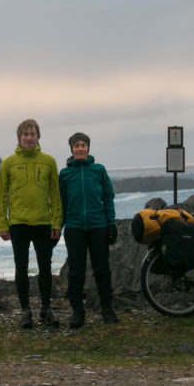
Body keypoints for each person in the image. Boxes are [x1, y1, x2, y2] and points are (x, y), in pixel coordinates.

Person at [0, 118, 63, 329]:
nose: (29, 138)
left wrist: (56, 223)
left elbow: (56, 195)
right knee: (21, 267)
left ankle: (45, 309)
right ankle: (26, 311)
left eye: (32, 134)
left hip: (43, 223)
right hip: (18, 224)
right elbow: (1, 197)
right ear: (19, 137)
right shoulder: (8, 163)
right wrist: (3, 225)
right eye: (25, 134)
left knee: (45, 267)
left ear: (38, 137)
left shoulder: (49, 161)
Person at [58, 132, 117, 329]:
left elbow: (108, 197)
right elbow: (62, 203)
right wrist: (58, 227)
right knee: (76, 271)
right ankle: (77, 312)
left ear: (88, 148)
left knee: (102, 269)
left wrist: (111, 223)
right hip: (74, 227)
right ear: (72, 149)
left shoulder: (99, 170)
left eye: (83, 145)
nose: (80, 149)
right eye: (76, 146)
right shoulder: (65, 174)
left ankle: (107, 309)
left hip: (98, 226)